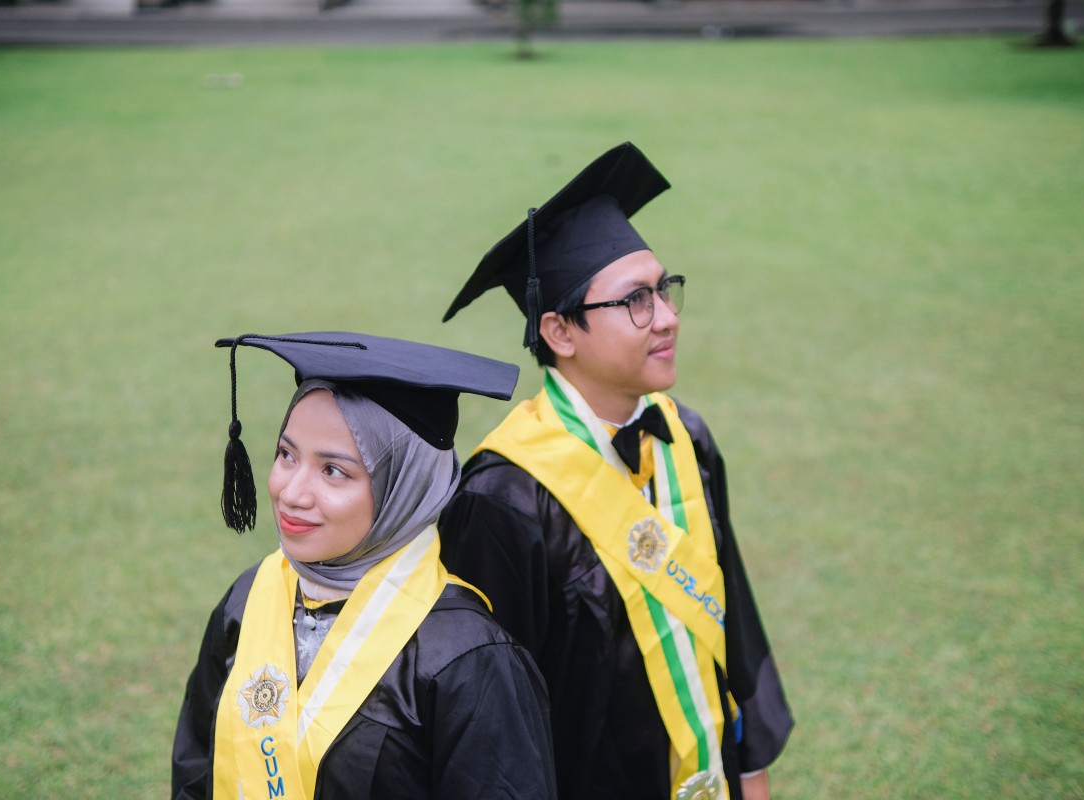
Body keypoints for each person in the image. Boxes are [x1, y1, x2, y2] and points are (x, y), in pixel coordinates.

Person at [437, 143, 794, 800]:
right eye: (636, 301)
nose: (668, 317)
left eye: (664, 289)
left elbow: (732, 616)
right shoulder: (504, 497)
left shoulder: (686, 436)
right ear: (559, 332)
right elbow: (490, 717)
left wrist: (751, 772)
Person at [172, 331, 557, 800]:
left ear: (404, 488)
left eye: (333, 470)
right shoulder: (250, 597)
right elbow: (197, 770)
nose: (291, 492)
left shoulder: (467, 658)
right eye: (286, 455)